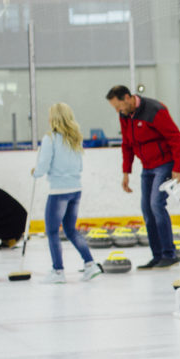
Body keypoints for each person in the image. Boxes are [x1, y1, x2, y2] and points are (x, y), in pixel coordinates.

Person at [106, 85, 180, 269]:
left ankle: (169, 254)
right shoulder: (125, 115)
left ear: (127, 97)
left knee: (156, 205)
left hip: (164, 164)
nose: (118, 111)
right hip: (147, 167)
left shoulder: (155, 110)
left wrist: (179, 168)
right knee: (147, 210)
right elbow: (127, 144)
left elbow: (176, 138)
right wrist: (126, 172)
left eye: (119, 106)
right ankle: (157, 256)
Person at [32, 103, 102, 284]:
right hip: (75, 190)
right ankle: (90, 264)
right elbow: (79, 165)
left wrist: (36, 172)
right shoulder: (75, 138)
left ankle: (58, 270)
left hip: (58, 191)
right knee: (71, 230)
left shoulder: (50, 139)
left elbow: (44, 164)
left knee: (52, 231)